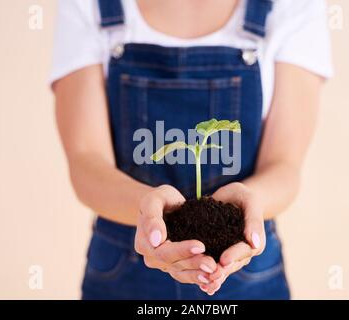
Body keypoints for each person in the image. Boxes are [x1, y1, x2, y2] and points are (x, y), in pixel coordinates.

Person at [51, 0, 333, 299]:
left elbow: (284, 165)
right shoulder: (88, 5)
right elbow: (85, 161)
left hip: (244, 270)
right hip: (123, 271)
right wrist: (148, 211)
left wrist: (249, 205)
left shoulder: (294, 5)